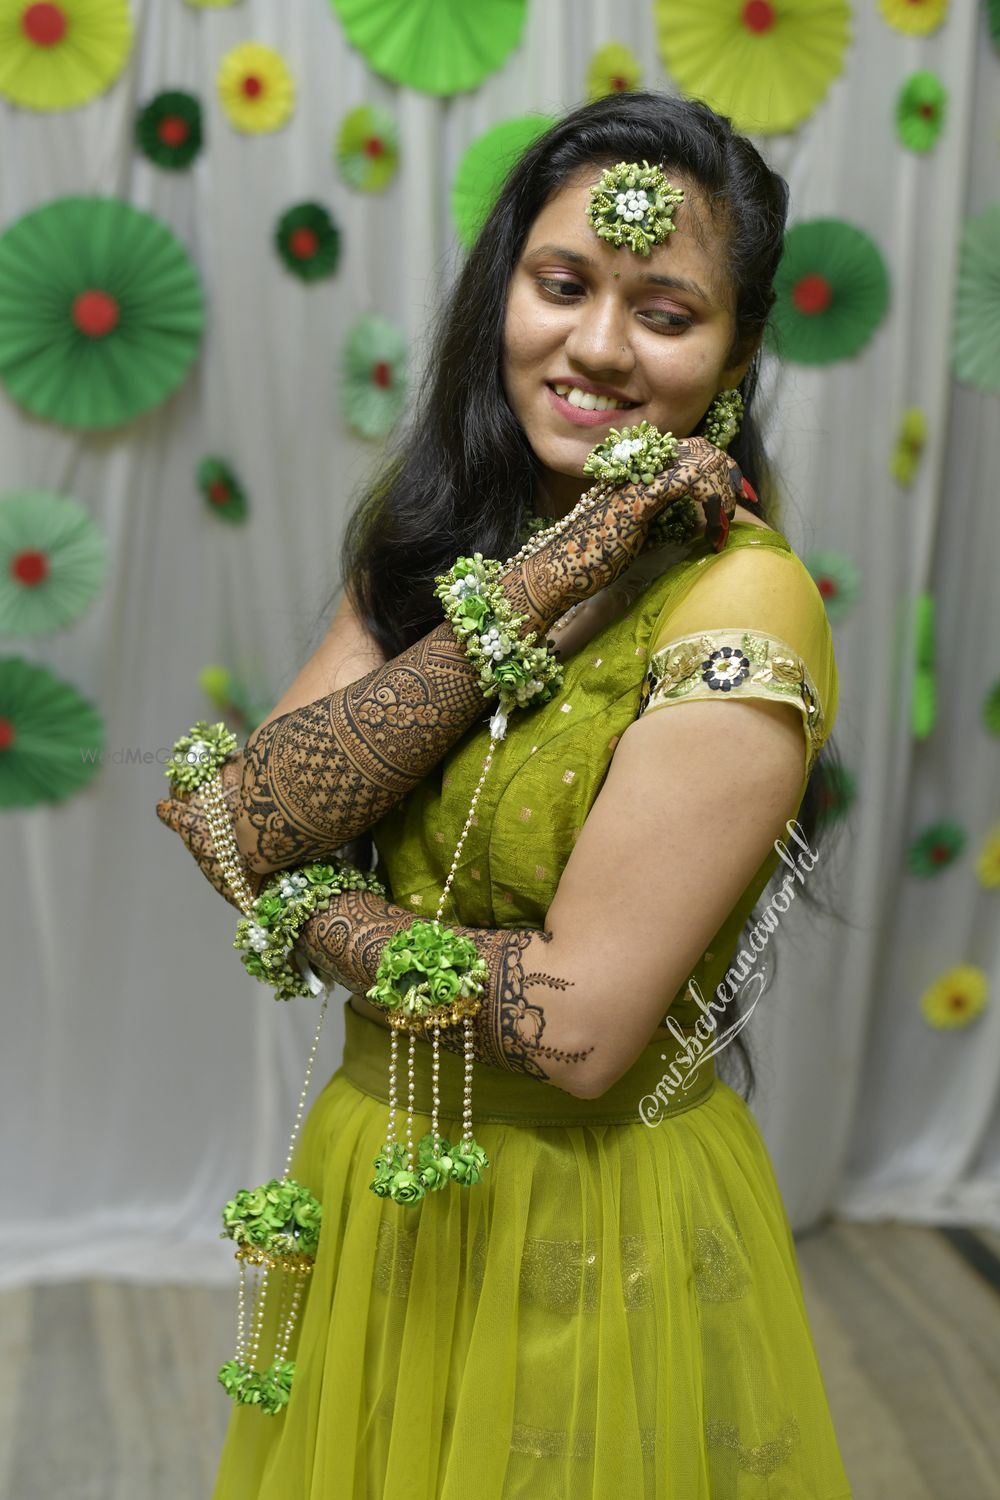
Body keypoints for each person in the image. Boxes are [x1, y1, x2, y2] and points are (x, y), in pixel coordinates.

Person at [158, 91, 852, 1499]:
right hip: (371, 1185)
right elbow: (253, 815)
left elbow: (584, 1026)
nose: (596, 345)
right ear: (502, 294)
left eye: (664, 312)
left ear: (737, 351)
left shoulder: (745, 606)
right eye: (562, 285)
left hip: (585, 1216)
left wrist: (316, 916)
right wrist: (553, 572)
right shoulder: (442, 536)